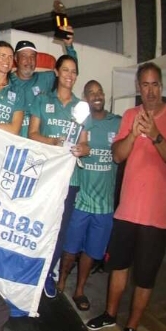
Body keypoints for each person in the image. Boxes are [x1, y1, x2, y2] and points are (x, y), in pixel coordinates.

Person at [85, 63, 166, 331]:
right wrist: (132, 134)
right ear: (138, 87)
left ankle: (131, 328)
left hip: (156, 217)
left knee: (145, 276)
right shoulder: (130, 115)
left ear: (161, 86)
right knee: (118, 267)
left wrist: (155, 135)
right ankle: (110, 315)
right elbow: (117, 156)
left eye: (155, 84)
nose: (150, 91)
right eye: (145, 85)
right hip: (127, 211)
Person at [27, 54, 90, 299]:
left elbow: (85, 144)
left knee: (60, 230)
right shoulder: (43, 100)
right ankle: (30, 269)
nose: (70, 75)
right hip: (45, 175)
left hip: (69, 179)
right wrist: (53, 142)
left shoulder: (81, 107)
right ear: (56, 72)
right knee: (38, 224)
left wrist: (83, 149)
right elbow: (32, 134)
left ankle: (47, 274)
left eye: (74, 71)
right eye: (65, 70)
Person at [56, 80, 121, 311]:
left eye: (99, 91)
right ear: (85, 98)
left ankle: (80, 290)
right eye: (91, 93)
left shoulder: (118, 123)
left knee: (91, 252)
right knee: (70, 248)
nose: (96, 95)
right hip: (81, 200)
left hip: (105, 206)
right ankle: (61, 281)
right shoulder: (80, 123)